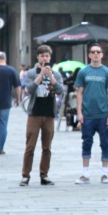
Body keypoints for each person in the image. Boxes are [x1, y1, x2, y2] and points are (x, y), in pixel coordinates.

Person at [20, 45, 63, 186]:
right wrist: (40, 76)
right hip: (34, 114)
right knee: (30, 146)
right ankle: (25, 175)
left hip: (49, 114)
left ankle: (44, 175)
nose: (45, 58)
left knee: (47, 147)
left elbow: (60, 90)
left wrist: (50, 76)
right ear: (38, 57)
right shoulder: (32, 73)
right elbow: (29, 89)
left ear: (50, 58)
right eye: (42, 56)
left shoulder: (55, 74)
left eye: (47, 56)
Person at [75, 43, 108, 184]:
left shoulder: (107, 72)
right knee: (86, 142)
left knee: (105, 143)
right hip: (87, 114)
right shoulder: (83, 72)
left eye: (98, 52)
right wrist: (79, 112)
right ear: (89, 55)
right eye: (93, 52)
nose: (96, 54)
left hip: (103, 114)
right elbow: (79, 93)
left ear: (102, 55)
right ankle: (85, 173)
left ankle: (104, 173)